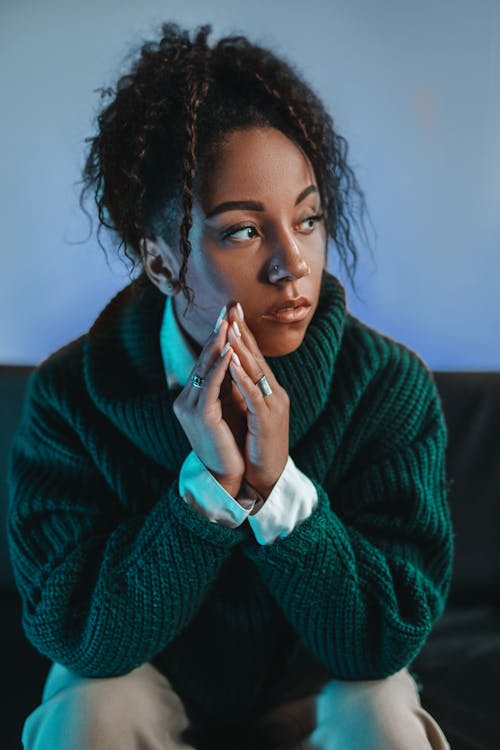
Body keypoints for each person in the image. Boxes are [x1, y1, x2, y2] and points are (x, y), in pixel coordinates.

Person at [8, 22, 453, 750]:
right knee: (89, 711)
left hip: (320, 682)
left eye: (307, 219)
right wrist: (209, 492)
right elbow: (80, 639)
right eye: (243, 231)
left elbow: (381, 641)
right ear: (160, 266)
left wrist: (278, 489)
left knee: (380, 715)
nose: (293, 264)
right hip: (145, 675)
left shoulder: (387, 388)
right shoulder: (71, 396)